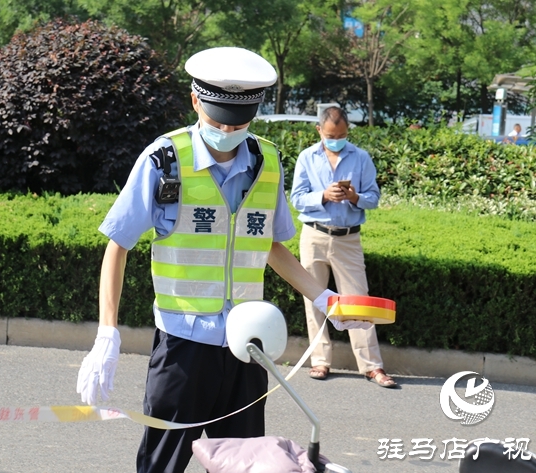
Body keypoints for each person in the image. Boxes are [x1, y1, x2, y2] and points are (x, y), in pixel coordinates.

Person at [75, 47, 365, 473]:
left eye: (239, 122)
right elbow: (118, 243)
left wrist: (324, 299)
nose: (228, 129)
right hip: (182, 348)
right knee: (162, 465)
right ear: (196, 101)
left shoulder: (267, 162)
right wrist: (106, 334)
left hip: (248, 349)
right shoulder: (164, 160)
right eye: (218, 120)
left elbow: (269, 244)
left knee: (249, 465)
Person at [289, 106, 397, 388]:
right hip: (314, 234)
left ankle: (372, 366)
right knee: (314, 299)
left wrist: (355, 196)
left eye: (342, 135)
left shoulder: (360, 158)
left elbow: (373, 197)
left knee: (358, 301)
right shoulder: (307, 157)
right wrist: (323, 195)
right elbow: (297, 198)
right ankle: (320, 361)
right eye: (330, 135)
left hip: (348, 238)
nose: (336, 139)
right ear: (319, 131)